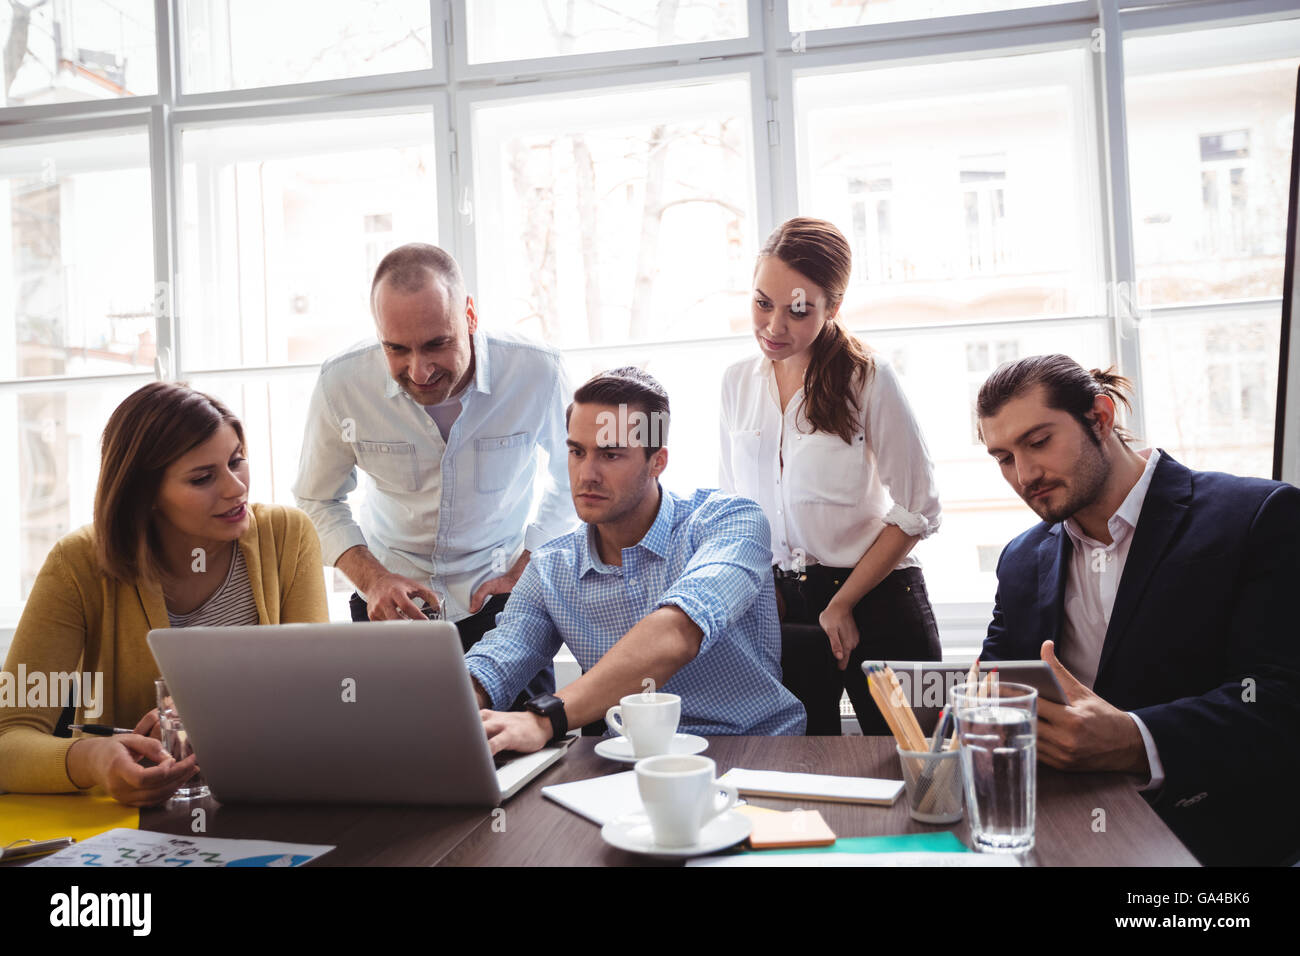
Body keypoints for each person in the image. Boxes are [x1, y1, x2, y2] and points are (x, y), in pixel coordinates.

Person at [976, 353, 1300, 867]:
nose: (1025, 473)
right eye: (1003, 457)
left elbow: (1282, 699)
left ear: (1100, 418)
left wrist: (1136, 740)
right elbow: (994, 684)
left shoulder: (1257, 517)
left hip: (1212, 842)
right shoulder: (1021, 558)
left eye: (1038, 442)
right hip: (1057, 831)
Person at [0, 382, 328, 805]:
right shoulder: (76, 564)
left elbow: (313, 690)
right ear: (145, 493)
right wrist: (94, 760)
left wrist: (209, 701)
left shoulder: (287, 535)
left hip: (273, 800)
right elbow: (8, 739)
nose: (235, 488)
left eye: (236, 461)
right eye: (202, 478)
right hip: (143, 824)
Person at [464, 368, 806, 754]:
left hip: (754, 755)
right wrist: (447, 705)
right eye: (577, 452)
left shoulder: (729, 521)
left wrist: (545, 719)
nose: (586, 475)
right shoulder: (550, 568)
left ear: (657, 461)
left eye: (610, 455)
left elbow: (676, 636)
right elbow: (497, 660)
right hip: (624, 766)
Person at [293, 243, 576, 705]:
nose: (418, 370)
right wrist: (373, 580)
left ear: (469, 315)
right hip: (388, 606)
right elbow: (315, 499)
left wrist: (529, 567)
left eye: (436, 344)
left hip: (506, 604)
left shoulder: (536, 371)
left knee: (525, 758)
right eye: (396, 349)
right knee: (390, 761)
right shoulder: (341, 383)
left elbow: (573, 482)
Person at [719, 217, 942, 735]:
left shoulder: (869, 378)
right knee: (800, 772)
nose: (774, 326)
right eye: (762, 303)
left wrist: (843, 603)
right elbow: (735, 508)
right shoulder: (735, 383)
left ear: (832, 307)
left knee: (917, 775)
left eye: (798, 310)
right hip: (785, 608)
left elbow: (919, 509)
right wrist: (761, 585)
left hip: (880, 599)